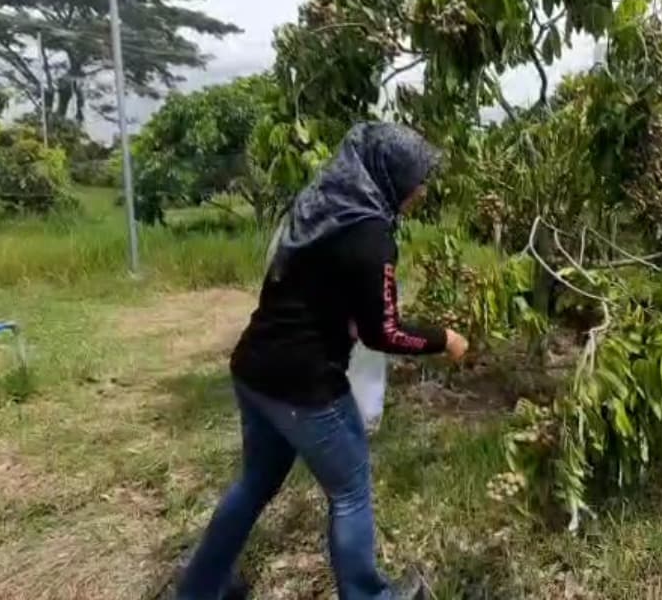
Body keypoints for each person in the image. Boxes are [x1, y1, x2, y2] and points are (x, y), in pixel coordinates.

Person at [176, 122, 469, 600]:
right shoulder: (371, 235)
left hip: (254, 368)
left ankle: (199, 588)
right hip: (303, 385)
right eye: (416, 178)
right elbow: (384, 332)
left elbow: (325, 294)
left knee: (254, 484)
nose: (421, 190)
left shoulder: (322, 207)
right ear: (389, 176)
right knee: (350, 491)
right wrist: (445, 340)